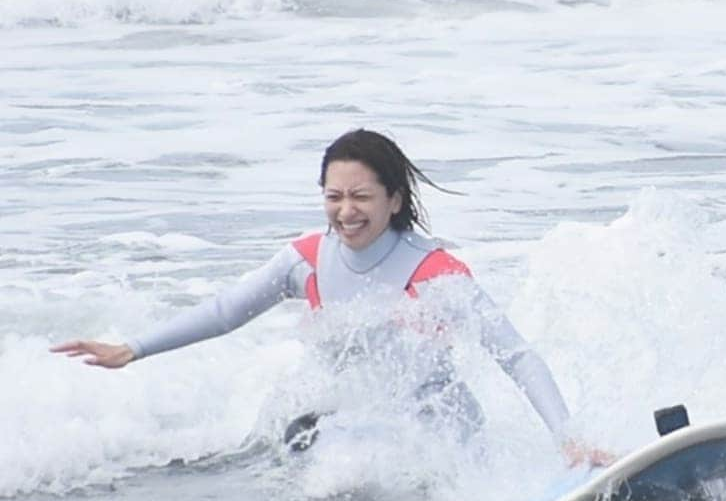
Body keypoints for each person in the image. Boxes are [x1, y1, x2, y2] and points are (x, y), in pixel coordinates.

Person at [52, 129, 610, 466]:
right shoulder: (306, 261)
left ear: (394, 200)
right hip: (353, 431)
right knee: (306, 435)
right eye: (334, 196)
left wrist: (568, 437)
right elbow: (225, 312)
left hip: (439, 437)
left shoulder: (434, 272)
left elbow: (515, 356)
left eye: (361, 196)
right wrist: (132, 349)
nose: (346, 211)